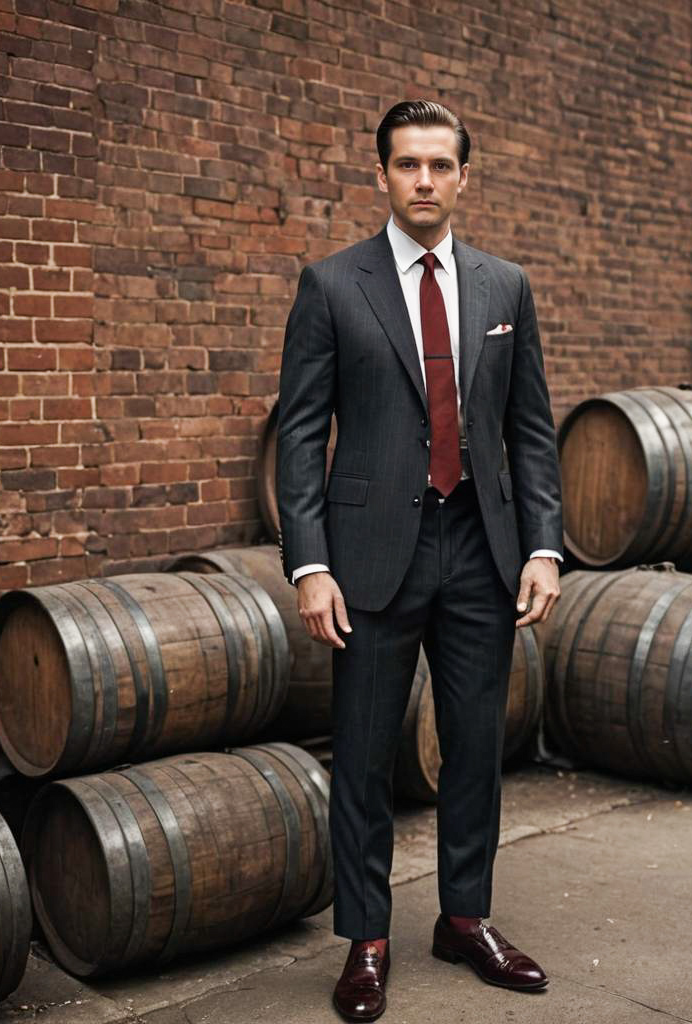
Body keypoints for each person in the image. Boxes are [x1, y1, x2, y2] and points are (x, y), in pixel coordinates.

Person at [276, 99, 563, 1022]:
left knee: (476, 749)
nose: (426, 181)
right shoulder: (330, 285)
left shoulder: (504, 286)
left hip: (482, 550)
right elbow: (300, 438)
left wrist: (545, 546)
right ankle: (366, 938)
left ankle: (465, 918)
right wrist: (309, 563)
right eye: (408, 165)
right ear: (382, 174)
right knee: (361, 756)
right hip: (370, 558)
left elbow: (530, 432)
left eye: (441, 165)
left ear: (464, 176)